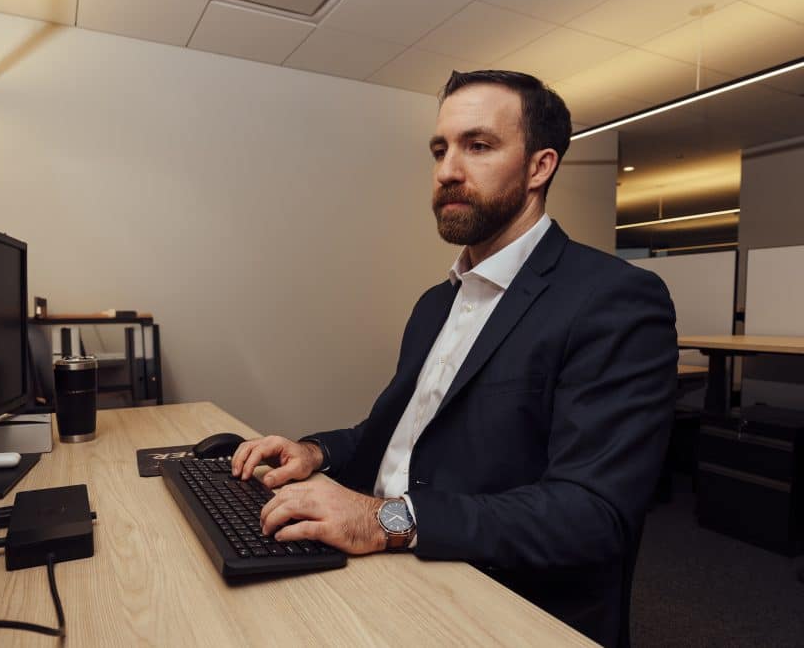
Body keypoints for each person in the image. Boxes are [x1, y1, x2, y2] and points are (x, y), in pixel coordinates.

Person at [230, 70, 677, 648]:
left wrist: (384, 520)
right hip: (386, 569)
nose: (447, 171)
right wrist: (314, 451)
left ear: (540, 166)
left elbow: (592, 513)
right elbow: (403, 430)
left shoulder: (613, 298)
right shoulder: (436, 304)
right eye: (440, 150)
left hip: (491, 601)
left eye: (479, 145)